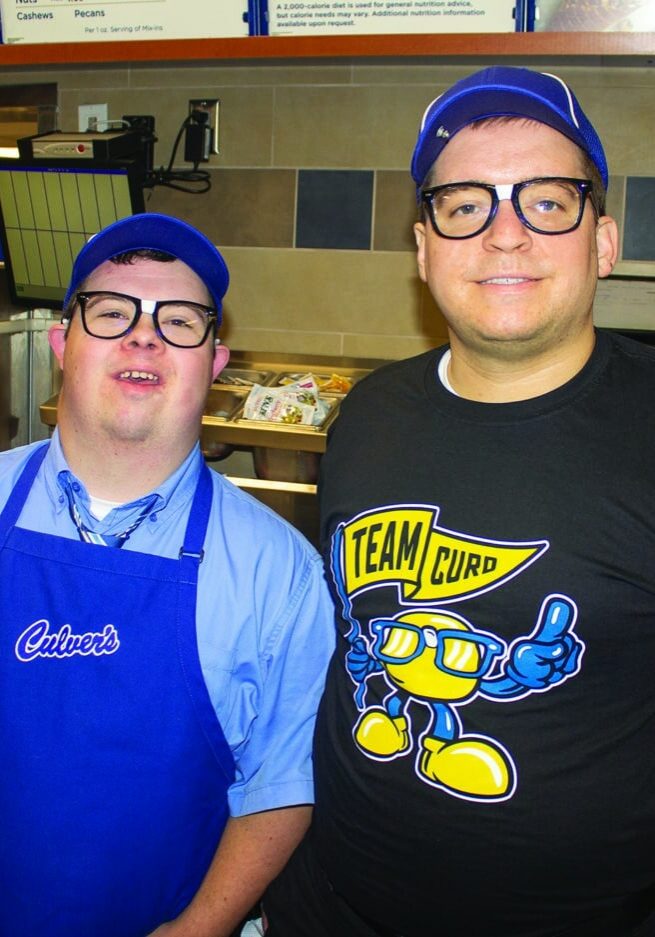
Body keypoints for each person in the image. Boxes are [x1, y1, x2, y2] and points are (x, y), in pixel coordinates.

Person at [264, 66, 655, 936]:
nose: (503, 235)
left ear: (601, 240)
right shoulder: (367, 414)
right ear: (422, 246)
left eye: (546, 202)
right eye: (465, 203)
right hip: (330, 907)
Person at [0, 212, 335, 937]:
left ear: (215, 361)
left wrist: (198, 929)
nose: (143, 335)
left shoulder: (282, 574)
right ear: (63, 344)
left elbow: (280, 786)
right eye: (112, 312)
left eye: (179, 320)